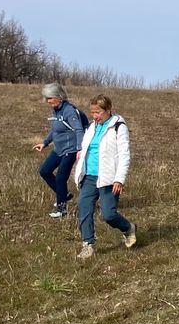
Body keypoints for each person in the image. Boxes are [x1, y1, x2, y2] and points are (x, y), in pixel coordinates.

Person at [73, 94, 135, 260]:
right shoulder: (92, 126)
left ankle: (128, 228)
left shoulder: (118, 126)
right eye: (92, 112)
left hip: (108, 177)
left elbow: (124, 154)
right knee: (84, 208)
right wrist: (81, 155)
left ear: (108, 110)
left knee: (109, 215)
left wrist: (119, 179)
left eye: (98, 112)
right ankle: (88, 244)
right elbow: (87, 146)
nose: (95, 116)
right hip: (89, 176)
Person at [33, 83, 85, 218]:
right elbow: (55, 129)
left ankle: (61, 210)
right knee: (44, 171)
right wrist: (44, 143)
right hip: (59, 149)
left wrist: (80, 149)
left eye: (50, 98)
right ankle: (64, 195)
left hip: (70, 150)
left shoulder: (69, 110)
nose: (48, 101)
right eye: (47, 98)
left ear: (59, 97)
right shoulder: (56, 110)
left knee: (61, 178)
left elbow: (79, 129)